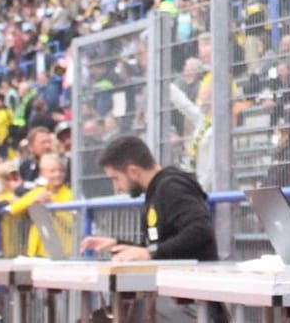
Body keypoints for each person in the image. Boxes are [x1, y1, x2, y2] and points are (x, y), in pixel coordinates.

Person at [79, 136, 226, 323]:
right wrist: (119, 244)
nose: (116, 188)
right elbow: (163, 247)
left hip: (192, 304)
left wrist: (149, 253)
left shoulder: (172, 186)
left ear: (133, 171)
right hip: (170, 299)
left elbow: (200, 231)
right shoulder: (156, 190)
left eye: (116, 178)